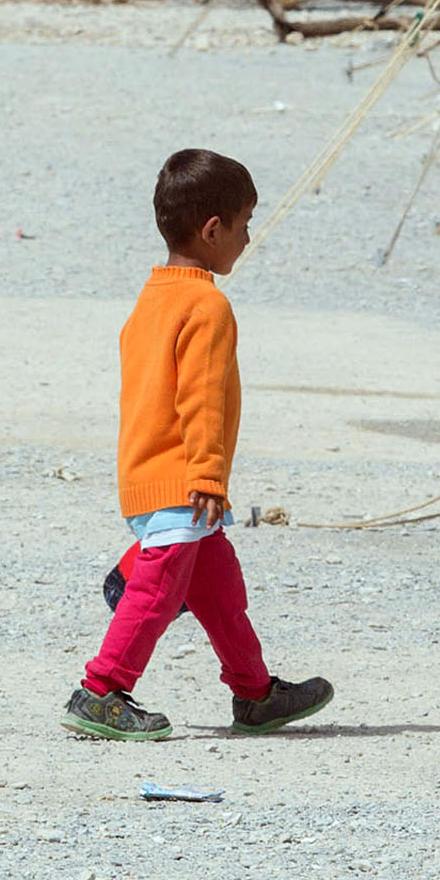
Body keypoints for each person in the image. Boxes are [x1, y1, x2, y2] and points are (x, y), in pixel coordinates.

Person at [64, 149, 333, 742]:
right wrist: (208, 476)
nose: (246, 237)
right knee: (157, 591)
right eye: (243, 225)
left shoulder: (153, 297)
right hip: (184, 479)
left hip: (148, 473)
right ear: (214, 231)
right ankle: (102, 689)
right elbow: (201, 401)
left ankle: (255, 692)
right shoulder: (207, 306)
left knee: (220, 590)